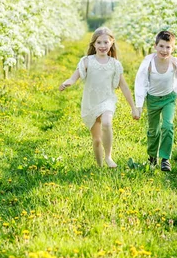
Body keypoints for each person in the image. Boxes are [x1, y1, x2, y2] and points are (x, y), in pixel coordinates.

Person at [60, 27, 140, 168]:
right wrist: (68, 82)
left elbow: (124, 87)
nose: (103, 46)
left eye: (105, 42)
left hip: (107, 100)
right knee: (96, 140)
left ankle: (108, 157)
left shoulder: (115, 64)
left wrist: (133, 108)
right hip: (90, 103)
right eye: (99, 43)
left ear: (111, 43)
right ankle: (100, 166)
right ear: (94, 44)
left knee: (107, 123)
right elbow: (74, 77)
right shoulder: (86, 61)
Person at [134, 30, 177, 172]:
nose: (164, 50)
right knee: (153, 131)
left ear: (173, 48)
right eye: (161, 46)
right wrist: (139, 106)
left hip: (168, 98)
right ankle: (152, 157)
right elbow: (140, 83)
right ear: (155, 46)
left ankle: (165, 159)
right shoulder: (149, 63)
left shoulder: (175, 63)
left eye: (168, 47)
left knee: (167, 125)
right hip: (153, 100)